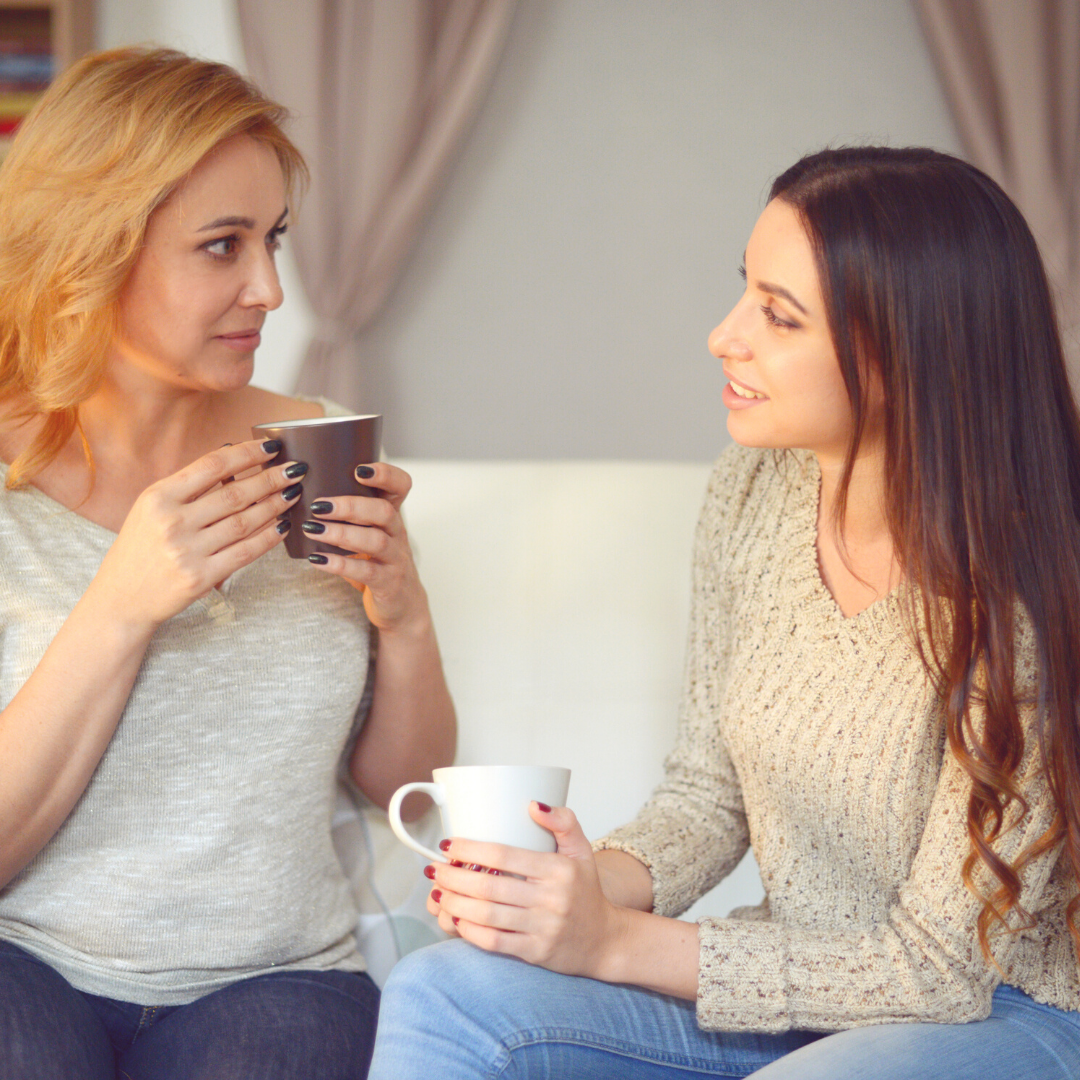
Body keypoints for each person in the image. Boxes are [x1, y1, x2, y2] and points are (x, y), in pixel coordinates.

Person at [367, 146, 1080, 1079]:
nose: (724, 334)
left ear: (911, 351)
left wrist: (612, 944)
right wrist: (577, 888)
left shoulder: (1034, 590)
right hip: (787, 992)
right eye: (746, 290)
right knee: (443, 990)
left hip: (1004, 1016)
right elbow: (708, 792)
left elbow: (940, 970)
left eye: (779, 316)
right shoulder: (755, 490)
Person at [0, 47, 456, 1080]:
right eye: (222, 246)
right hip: (22, 960)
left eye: (274, 239)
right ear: (93, 248)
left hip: (278, 979)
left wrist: (406, 616)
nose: (271, 289)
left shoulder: (322, 449)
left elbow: (406, 790)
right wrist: (121, 606)